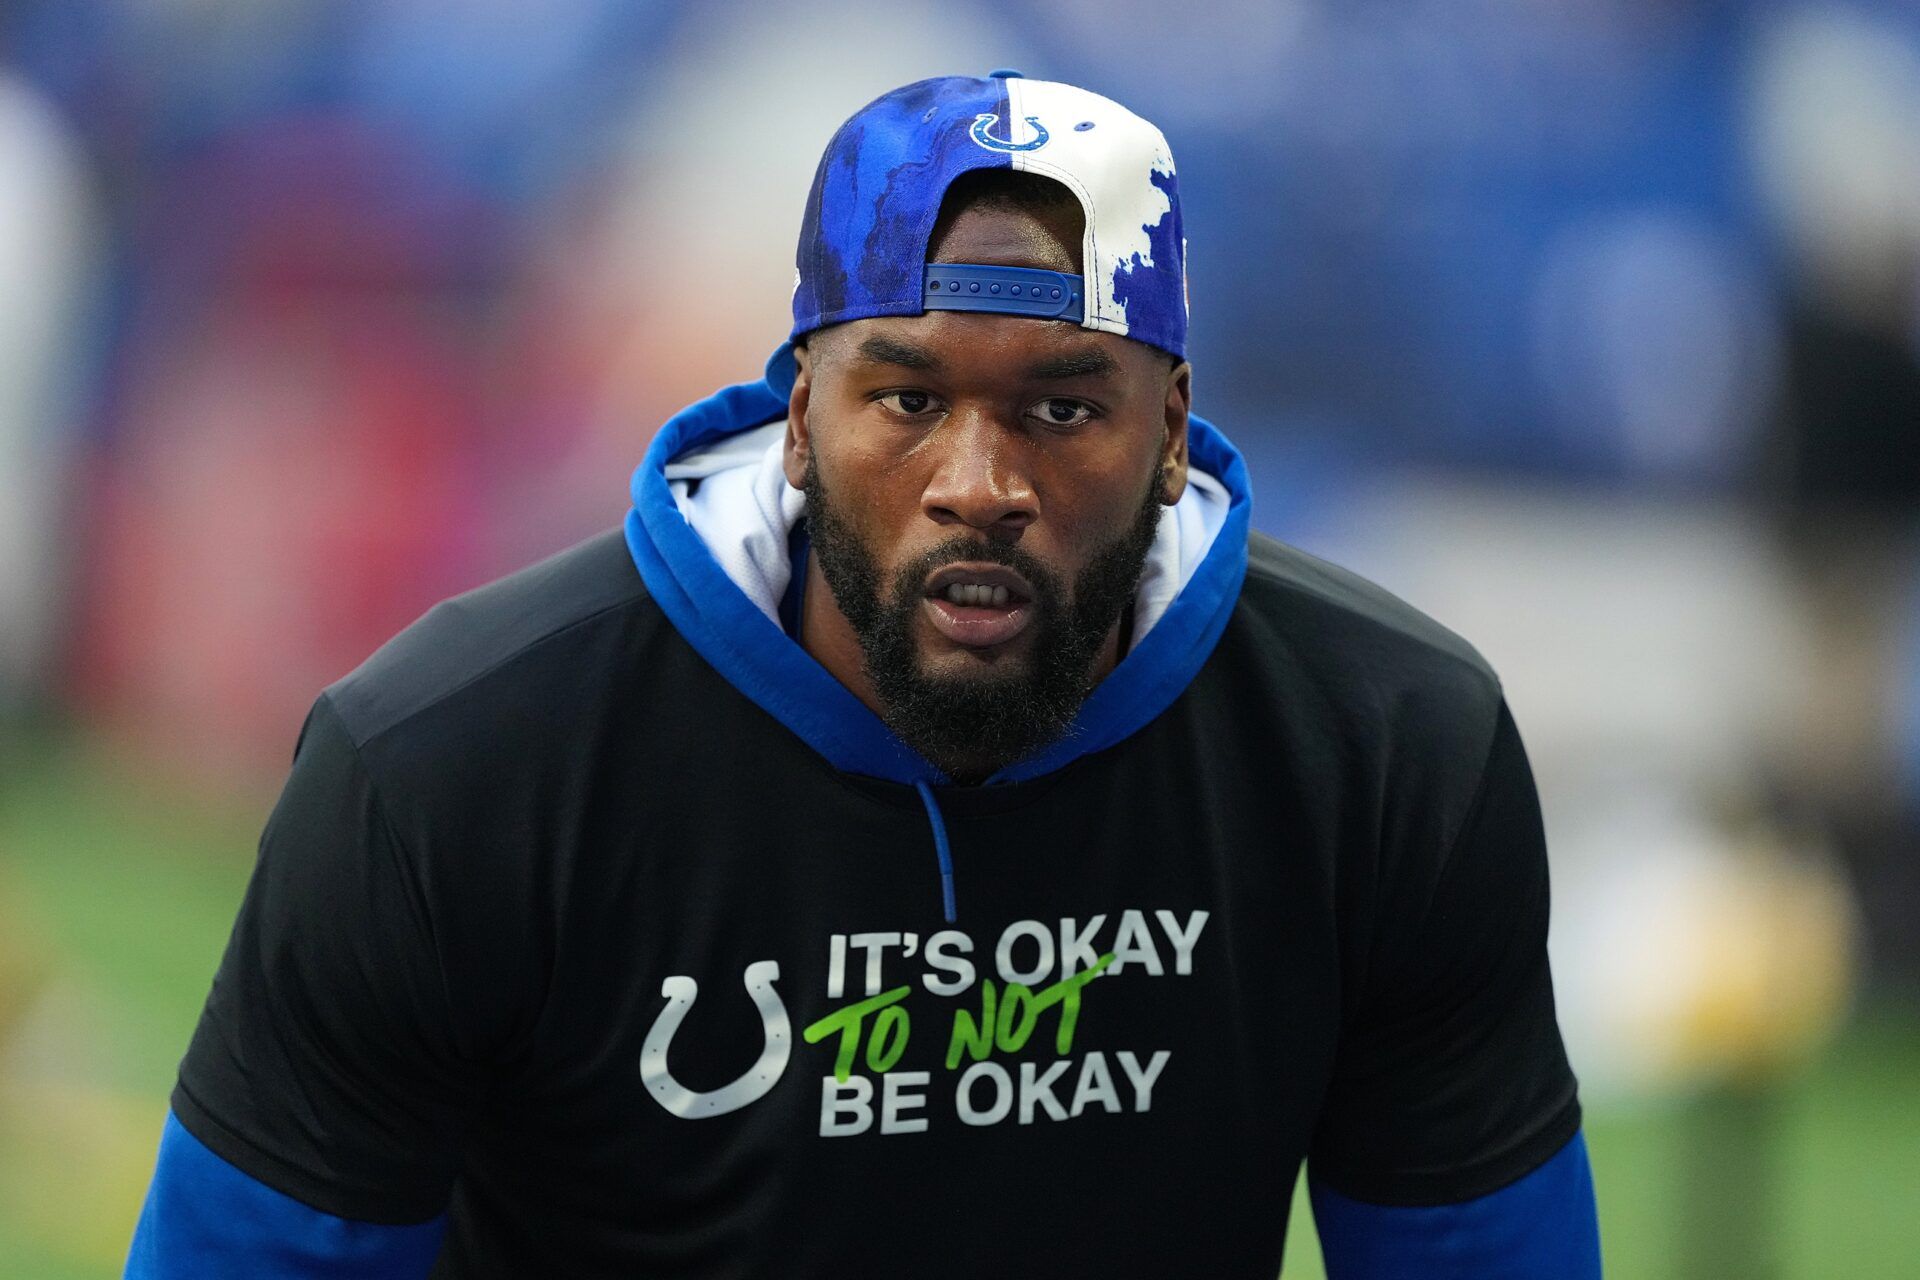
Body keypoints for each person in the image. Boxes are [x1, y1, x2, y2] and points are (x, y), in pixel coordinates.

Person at [125, 71, 1602, 1278]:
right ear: (794, 417)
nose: (980, 481)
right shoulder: (453, 769)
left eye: (1064, 406)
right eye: (905, 396)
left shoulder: (1383, 750)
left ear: (1170, 431)